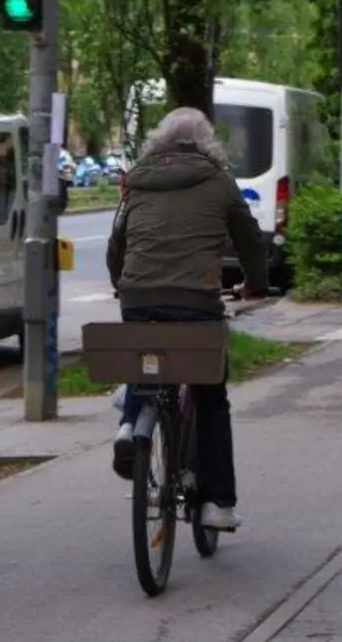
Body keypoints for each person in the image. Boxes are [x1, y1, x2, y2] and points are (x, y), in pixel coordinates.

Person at [106, 107, 269, 531]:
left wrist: (120, 282)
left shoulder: (137, 181)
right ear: (207, 141)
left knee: (145, 363)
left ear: (159, 141)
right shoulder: (218, 180)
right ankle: (218, 503)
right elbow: (249, 240)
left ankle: (129, 425)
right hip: (196, 302)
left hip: (137, 298)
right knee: (212, 397)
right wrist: (256, 283)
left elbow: (117, 241)